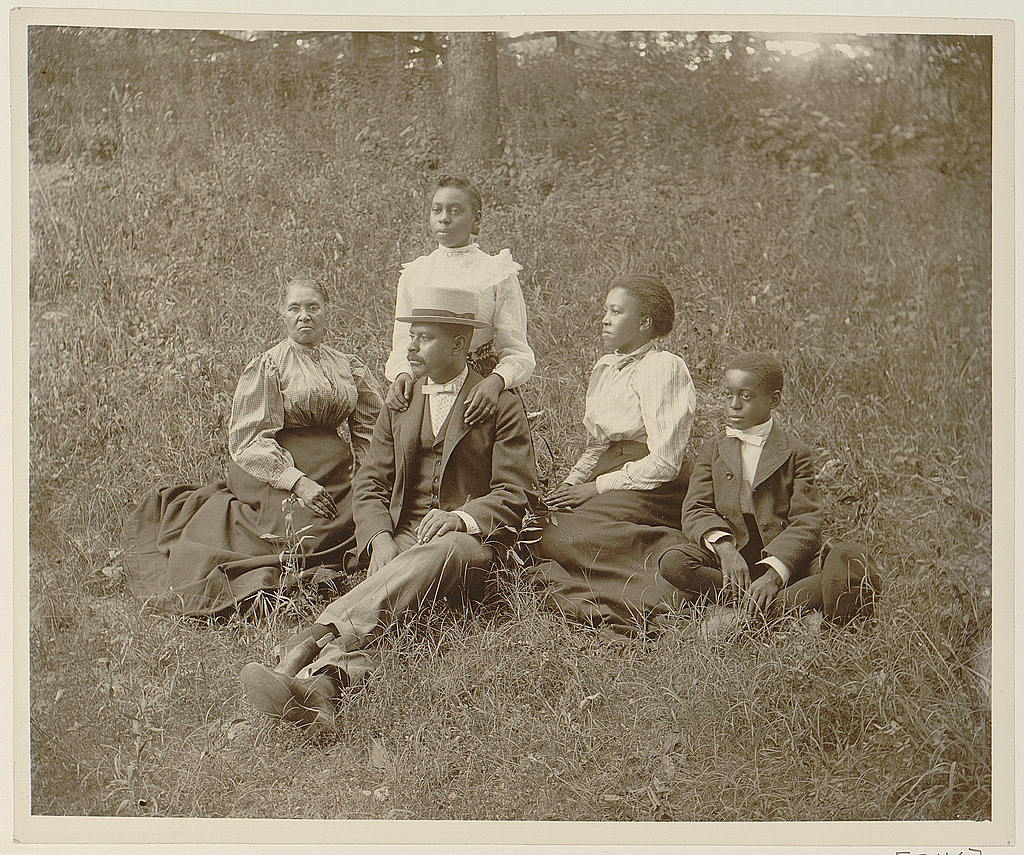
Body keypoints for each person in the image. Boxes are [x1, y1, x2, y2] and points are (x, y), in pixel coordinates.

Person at [239, 286, 538, 730]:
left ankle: (312, 638)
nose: (411, 348)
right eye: (411, 336)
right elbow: (370, 481)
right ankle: (324, 689)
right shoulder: (400, 402)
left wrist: (460, 516)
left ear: (459, 345)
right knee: (400, 605)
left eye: (424, 338)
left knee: (447, 549)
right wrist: (379, 538)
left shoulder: (500, 404)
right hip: (402, 536)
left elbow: (517, 493)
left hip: (468, 548)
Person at [123, 278, 383, 616]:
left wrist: (367, 475)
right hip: (272, 465)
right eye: (295, 308)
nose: (304, 316)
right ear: (282, 314)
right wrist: (296, 481)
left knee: (361, 510)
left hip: (334, 469)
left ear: (327, 312)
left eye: (313, 307)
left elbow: (370, 429)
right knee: (308, 528)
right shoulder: (270, 365)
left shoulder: (348, 365)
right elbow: (248, 439)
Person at [657, 352, 881, 629]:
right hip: (734, 557)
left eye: (746, 397)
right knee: (673, 561)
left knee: (847, 559)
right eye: (728, 395)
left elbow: (807, 520)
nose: (733, 406)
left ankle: (750, 613)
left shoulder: (795, 452)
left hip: (783, 560)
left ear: (773, 400)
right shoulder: (714, 447)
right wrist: (726, 550)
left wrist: (774, 575)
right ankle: (781, 612)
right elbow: (696, 508)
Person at [530, 274, 697, 638]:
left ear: (644, 322)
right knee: (539, 525)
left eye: (616, 311)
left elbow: (666, 460)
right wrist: (570, 485)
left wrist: (594, 489)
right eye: (606, 310)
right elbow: (597, 447)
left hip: (652, 484)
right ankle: (603, 599)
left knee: (563, 534)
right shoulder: (606, 367)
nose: (604, 319)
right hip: (608, 476)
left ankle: (659, 587)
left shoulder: (663, 367)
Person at [384, 174, 535, 427]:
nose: (443, 218)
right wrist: (402, 373)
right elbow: (403, 342)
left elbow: (516, 349)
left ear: (475, 219)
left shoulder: (496, 272)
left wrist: (495, 382)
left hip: (480, 382)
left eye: (455, 210)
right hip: (426, 378)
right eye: (437, 210)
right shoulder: (416, 274)